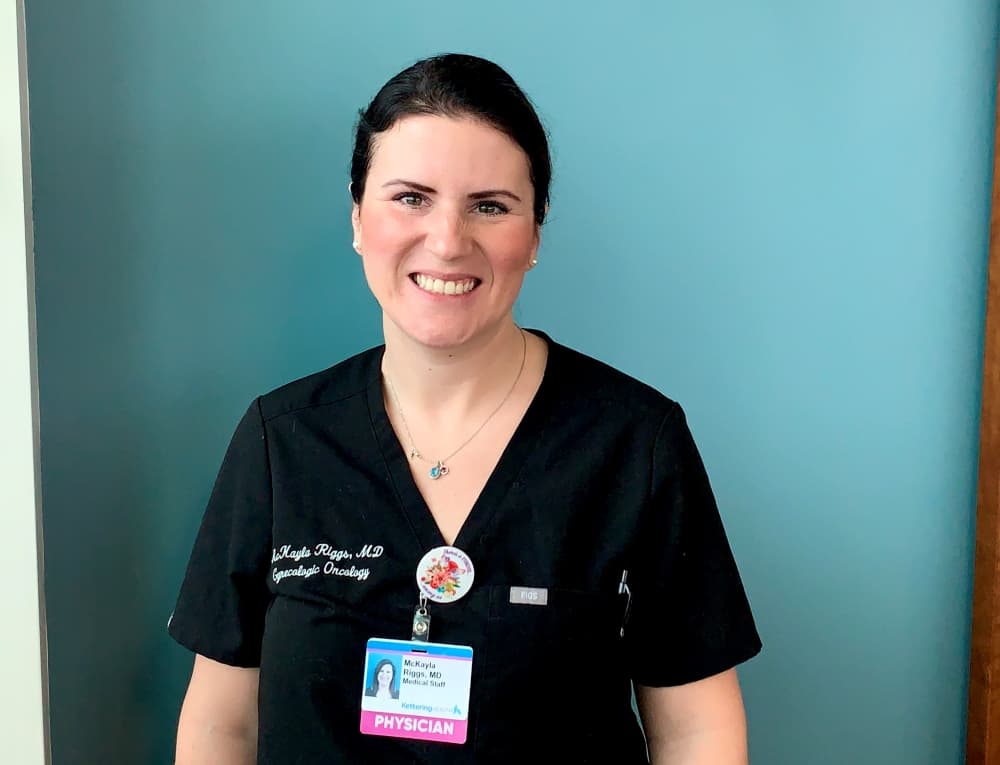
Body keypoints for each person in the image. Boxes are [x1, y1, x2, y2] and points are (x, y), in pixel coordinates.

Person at [169, 52, 762, 764]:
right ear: (358, 218)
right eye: (410, 197)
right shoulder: (281, 441)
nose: (448, 241)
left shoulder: (635, 442)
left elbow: (697, 729)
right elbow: (220, 727)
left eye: (490, 205)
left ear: (534, 233)